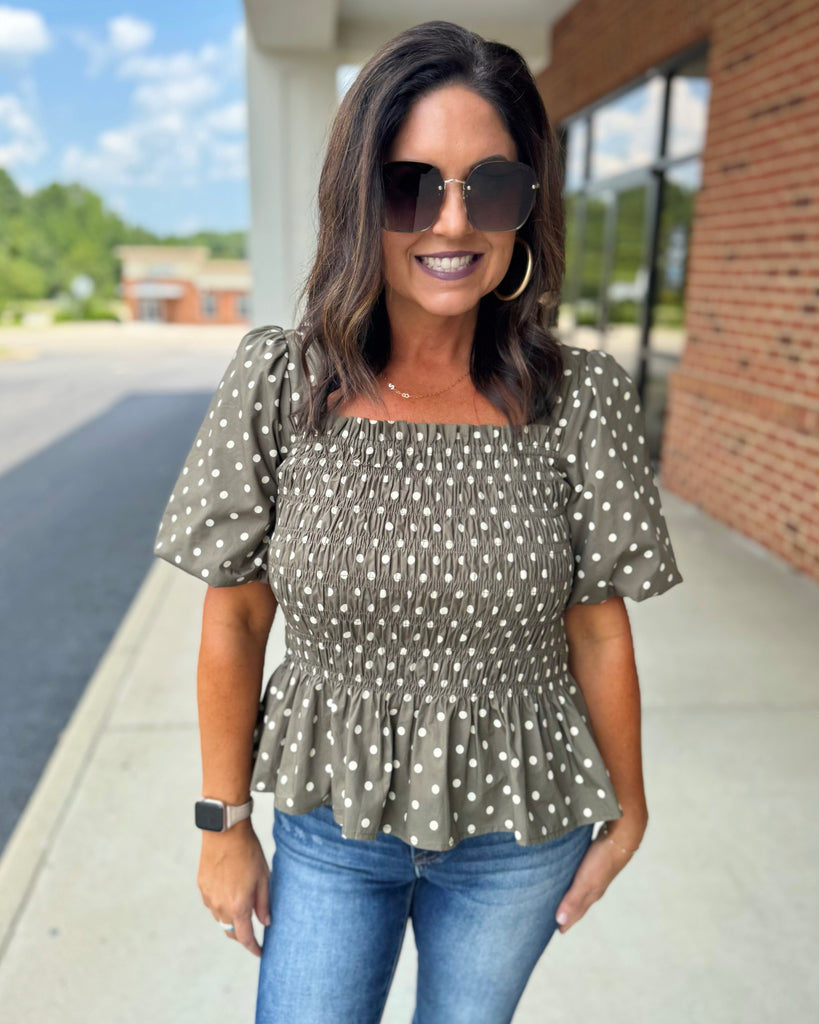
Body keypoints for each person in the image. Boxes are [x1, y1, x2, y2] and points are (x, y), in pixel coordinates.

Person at [154, 20, 683, 1024]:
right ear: (358, 199)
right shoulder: (281, 382)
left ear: (527, 205)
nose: (452, 222)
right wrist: (223, 823)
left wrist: (629, 810)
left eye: (491, 187)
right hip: (330, 820)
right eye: (410, 186)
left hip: (521, 829)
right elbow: (236, 616)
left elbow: (597, 628)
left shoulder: (579, 401)